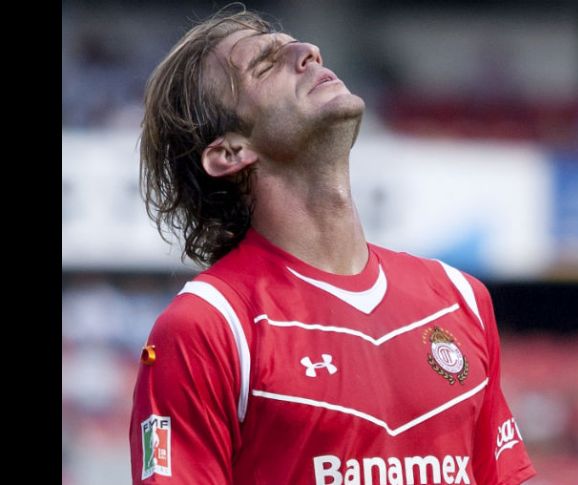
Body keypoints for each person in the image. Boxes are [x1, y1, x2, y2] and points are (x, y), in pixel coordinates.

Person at [129, 6, 536, 485]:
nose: (308, 52)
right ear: (230, 151)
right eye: (265, 65)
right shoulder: (207, 328)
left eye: (297, 46)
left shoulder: (460, 298)